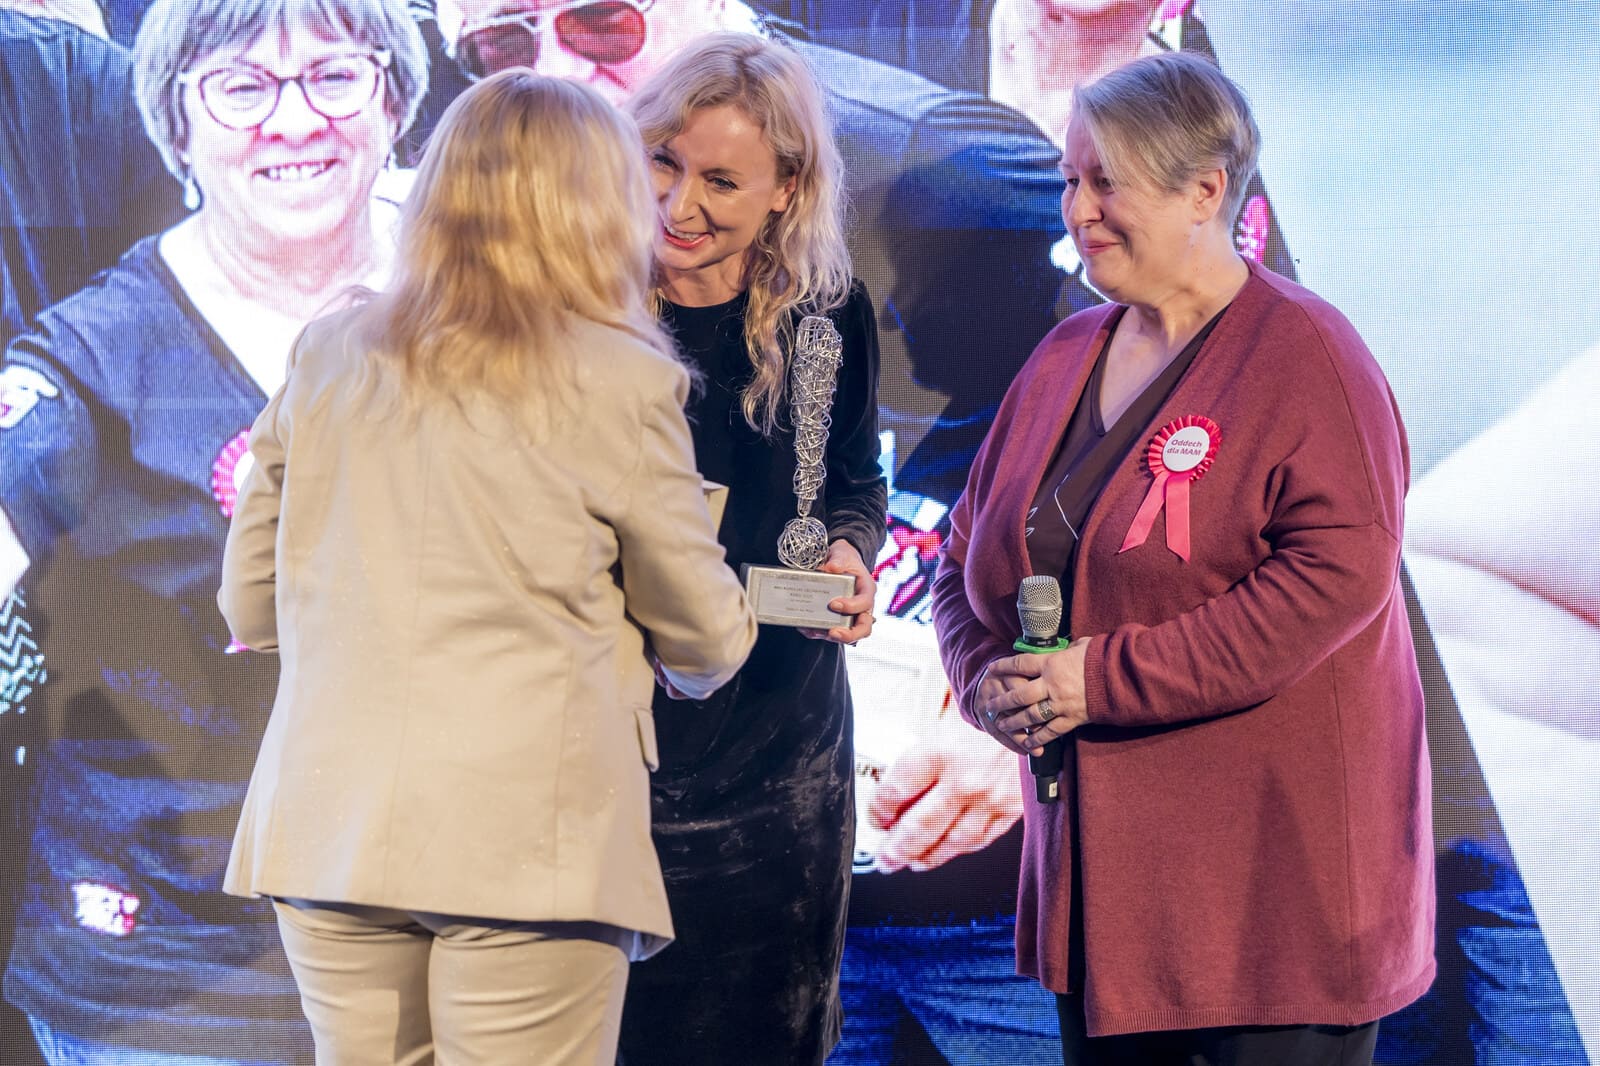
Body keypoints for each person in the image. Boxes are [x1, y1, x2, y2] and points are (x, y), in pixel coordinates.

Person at [218, 69, 756, 1064]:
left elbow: (251, 604)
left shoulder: (329, 353)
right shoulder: (621, 379)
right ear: (603, 208)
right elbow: (706, 638)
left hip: (331, 830)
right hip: (527, 848)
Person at [930, 51, 1434, 1064]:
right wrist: (988, 683)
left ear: (1205, 191)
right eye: (1071, 180)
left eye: (1106, 181)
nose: (1079, 210)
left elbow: (1332, 579)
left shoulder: (1308, 352)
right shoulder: (1063, 356)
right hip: (1103, 901)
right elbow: (960, 560)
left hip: (1267, 909)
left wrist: (1096, 682)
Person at [0, 0, 429, 1057]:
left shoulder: (498, 294)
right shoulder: (93, 362)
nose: (293, 118)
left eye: (335, 74)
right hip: (176, 980)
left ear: (395, 101)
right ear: (175, 125)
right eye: (240, 87)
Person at [614, 33, 887, 1065]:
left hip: (782, 764)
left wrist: (852, 551)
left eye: (721, 181)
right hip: (610, 756)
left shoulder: (829, 311)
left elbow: (856, 481)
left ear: (787, 190)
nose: (679, 203)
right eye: (663, 161)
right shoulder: (584, 303)